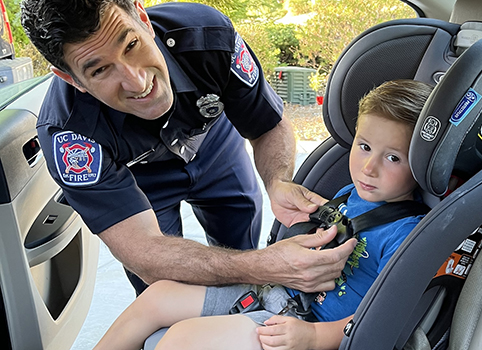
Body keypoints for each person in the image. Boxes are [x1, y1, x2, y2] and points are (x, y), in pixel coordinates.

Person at [20, 0, 357, 295]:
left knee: (241, 247)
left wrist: (277, 181)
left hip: (216, 146)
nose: (138, 82)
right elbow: (146, 255)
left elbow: (267, 124)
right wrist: (265, 266)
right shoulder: (70, 135)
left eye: (132, 44)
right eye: (101, 69)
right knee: (166, 290)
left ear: (142, 17)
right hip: (138, 183)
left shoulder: (209, 38)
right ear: (73, 80)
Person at [93, 79, 434, 350]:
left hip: (309, 328)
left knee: (178, 341)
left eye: (393, 158)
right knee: (158, 295)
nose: (369, 168)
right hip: (281, 294)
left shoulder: (407, 234)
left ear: (422, 161)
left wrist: (314, 338)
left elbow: (386, 316)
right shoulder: (352, 194)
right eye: (364, 147)